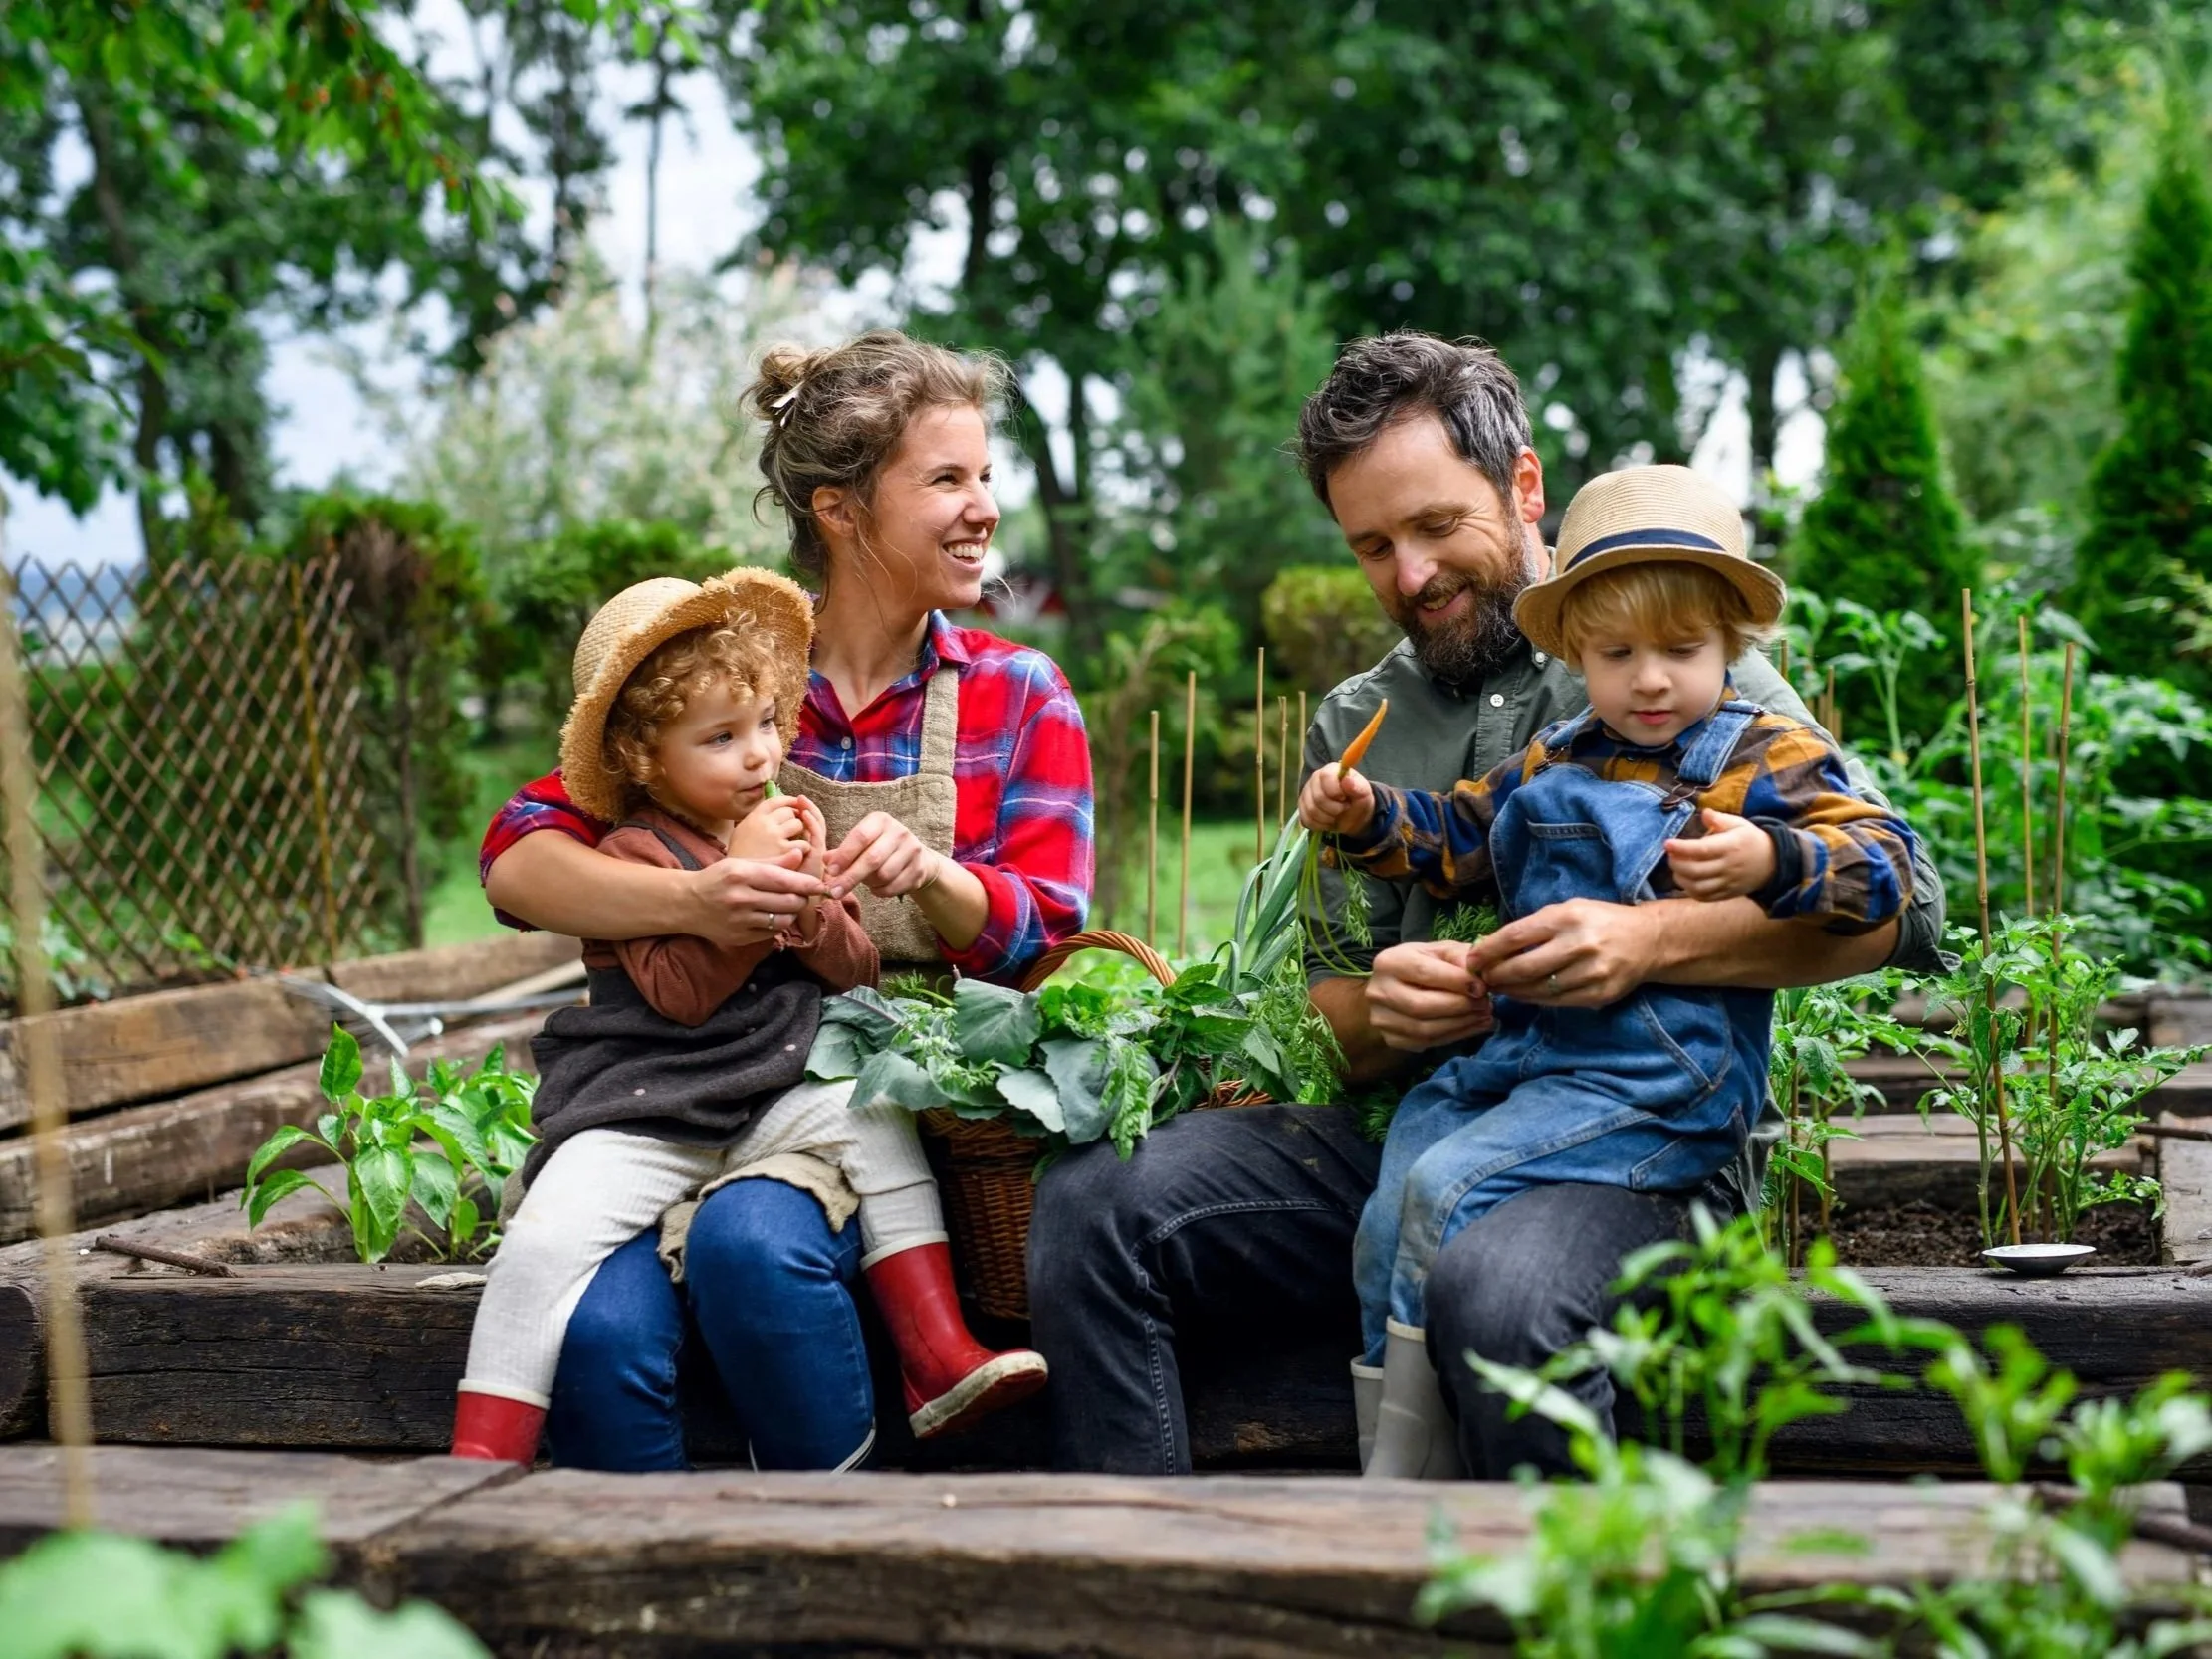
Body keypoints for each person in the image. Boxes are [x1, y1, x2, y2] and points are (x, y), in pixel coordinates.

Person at [1027, 333, 1947, 1480]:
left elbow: (1898, 905)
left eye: (1432, 526)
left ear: (1521, 486)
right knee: (1094, 1203)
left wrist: (1649, 939)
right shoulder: (1360, 721)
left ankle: (1541, 1612)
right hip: (1433, 1112)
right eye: (1371, 545)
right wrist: (1389, 1009)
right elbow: (1330, 1007)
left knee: (1492, 1282)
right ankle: (1141, 1591)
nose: (1406, 574)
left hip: (1629, 1137)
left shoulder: (1669, 657)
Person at [475, 330, 1094, 1471]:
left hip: (873, 1102)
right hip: (667, 1083)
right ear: (842, 510)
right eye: (946, 479)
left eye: (985, 476)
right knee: (600, 1333)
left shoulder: (1018, 693)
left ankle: (822, 1563)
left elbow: (1049, 937)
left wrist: (939, 881)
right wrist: (705, 899)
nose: (983, 509)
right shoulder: (727, 688)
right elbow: (515, 856)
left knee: (749, 1252)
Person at [1299, 464, 1919, 1476]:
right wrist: (1369, 813)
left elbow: (1886, 866)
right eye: (1615, 652)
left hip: (1659, 1084)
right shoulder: (1558, 756)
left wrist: (1770, 859)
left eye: (1680, 650)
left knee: (1444, 1189)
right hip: (1530, 1062)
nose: (1647, 680)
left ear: (1731, 643)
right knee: (1393, 1195)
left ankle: (1396, 1481)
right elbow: (1461, 832)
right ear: (1574, 652)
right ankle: (1399, 1439)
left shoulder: (1761, 759)